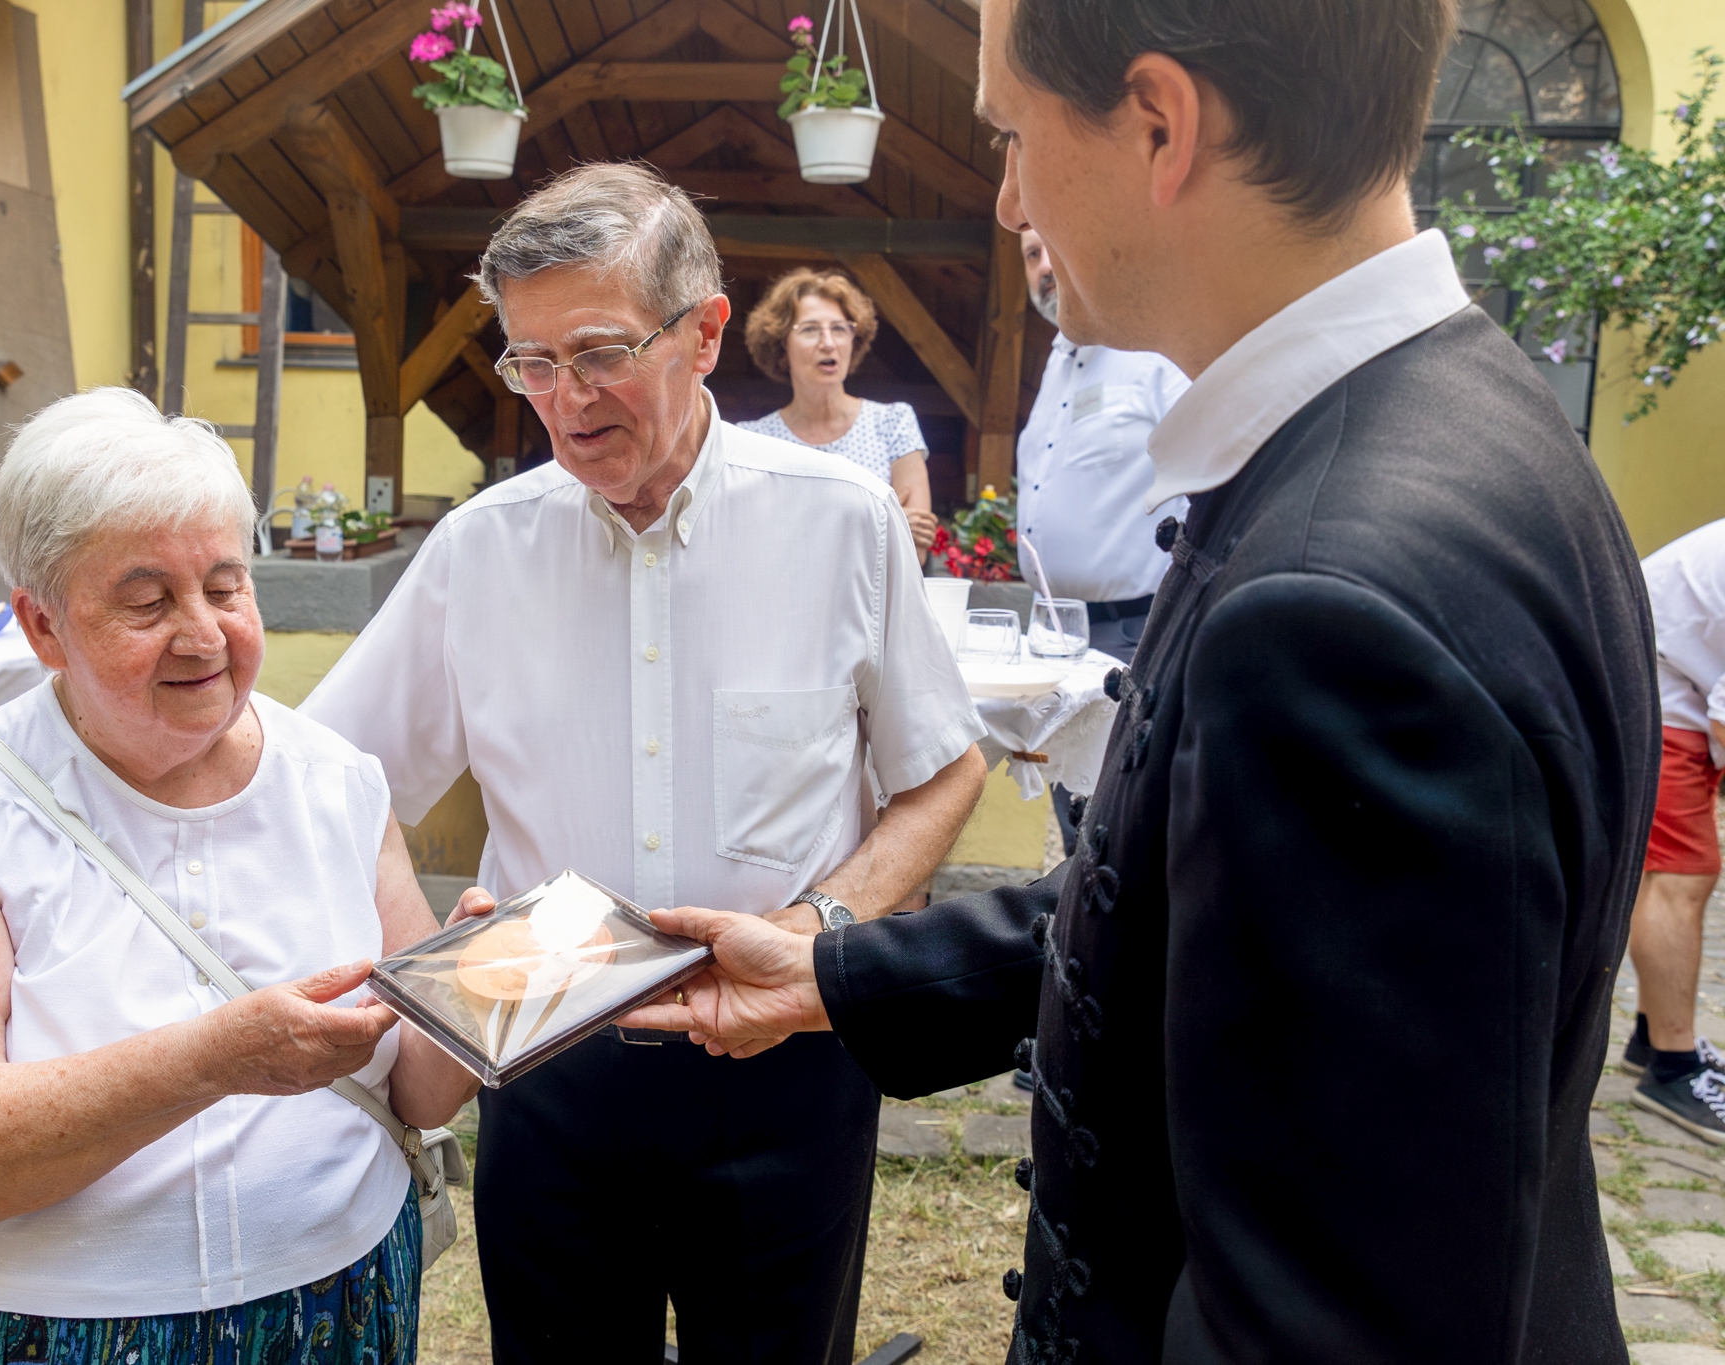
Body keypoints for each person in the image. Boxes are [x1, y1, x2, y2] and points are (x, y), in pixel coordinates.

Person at [624, 0, 1658, 1360]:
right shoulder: (1470, 406)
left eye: (1010, 135)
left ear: (1160, 126)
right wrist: (841, 974)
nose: (1007, 201)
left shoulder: (1332, 609)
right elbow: (1175, 894)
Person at [299, 162, 987, 1365]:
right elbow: (326, 791)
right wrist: (434, 973)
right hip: (548, 1068)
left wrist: (820, 925)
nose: (564, 400)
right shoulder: (480, 550)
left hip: (787, 1061)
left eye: (599, 352)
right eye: (531, 362)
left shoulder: (841, 520)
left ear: (704, 334)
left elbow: (942, 773)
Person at [0, 389, 487, 1364]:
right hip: (20, 1333)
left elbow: (415, 1096)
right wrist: (215, 1059)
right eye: (147, 603)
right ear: (43, 627)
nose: (203, 635)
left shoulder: (336, 780)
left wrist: (471, 998)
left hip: (329, 1310)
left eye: (225, 587)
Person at [1015, 226, 1190, 868]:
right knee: (1080, 825)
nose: (1043, 264)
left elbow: (1212, 472)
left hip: (1136, 632)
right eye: (1030, 255)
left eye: (1052, 244)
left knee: (1132, 827)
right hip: (1059, 636)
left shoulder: (1155, 351)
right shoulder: (1056, 363)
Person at [1625, 518, 1725, 1140]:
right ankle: (1671, 1067)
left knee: (1674, 870)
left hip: (1677, 665)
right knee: (1682, 875)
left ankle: (1648, 1034)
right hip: (1654, 672)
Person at [738, 268, 938, 562]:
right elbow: (752, 547)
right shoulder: (753, 440)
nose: (829, 343)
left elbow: (913, 553)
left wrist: (798, 531)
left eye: (840, 329)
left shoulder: (894, 423)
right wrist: (882, 524)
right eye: (810, 330)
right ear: (781, 346)